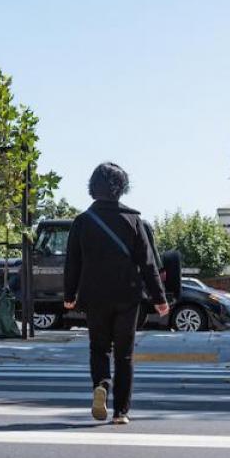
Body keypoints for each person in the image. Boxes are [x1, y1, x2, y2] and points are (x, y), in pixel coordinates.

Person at [64, 163, 169, 425]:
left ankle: (101, 386)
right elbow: (148, 264)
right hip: (127, 295)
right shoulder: (133, 220)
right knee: (124, 354)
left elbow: (72, 263)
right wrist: (160, 299)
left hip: (94, 296)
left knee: (98, 349)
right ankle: (121, 412)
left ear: (92, 188)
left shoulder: (82, 221)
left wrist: (69, 294)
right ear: (121, 188)